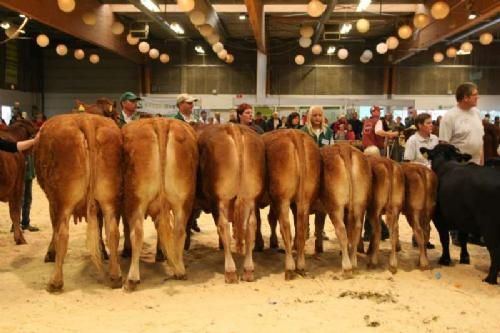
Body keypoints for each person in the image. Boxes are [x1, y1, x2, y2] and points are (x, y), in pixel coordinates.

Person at [439, 82, 484, 165]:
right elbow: (444, 145)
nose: (478, 97)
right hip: (457, 166)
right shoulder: (449, 116)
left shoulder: (477, 113)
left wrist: (482, 162)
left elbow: (480, 141)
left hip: (476, 164)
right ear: (465, 98)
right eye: (475, 95)